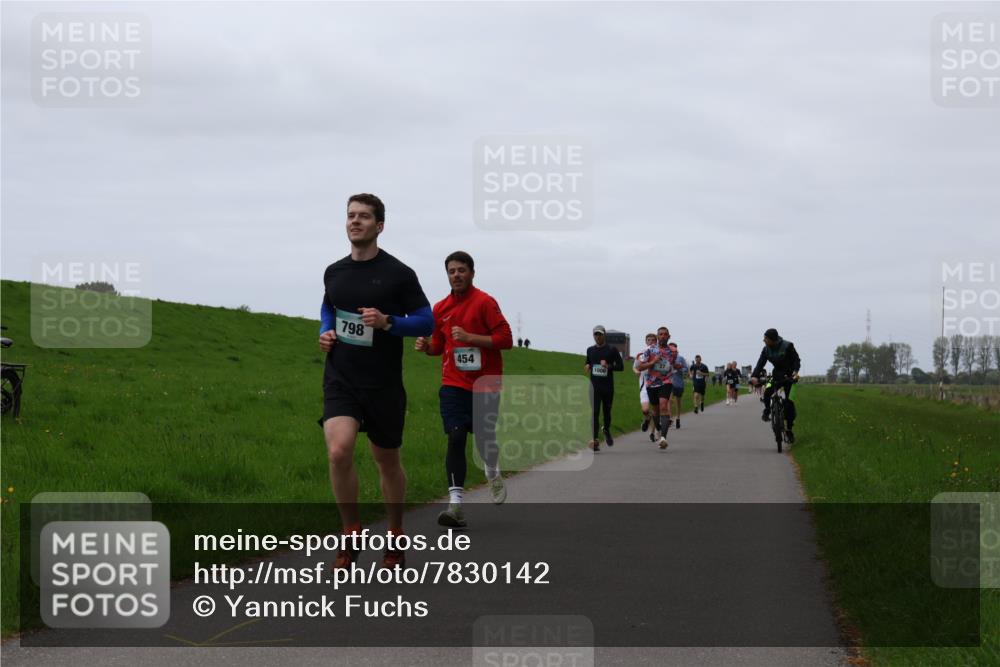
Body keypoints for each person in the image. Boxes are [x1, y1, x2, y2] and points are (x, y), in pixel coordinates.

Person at [318, 193, 434, 569]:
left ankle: (396, 532)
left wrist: (388, 323)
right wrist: (326, 331)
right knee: (338, 451)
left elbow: (426, 321)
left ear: (379, 225)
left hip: (382, 382)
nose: (355, 222)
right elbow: (328, 306)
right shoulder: (334, 272)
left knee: (386, 461)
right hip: (341, 376)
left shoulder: (399, 274)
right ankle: (351, 532)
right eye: (350, 216)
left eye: (364, 217)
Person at [415, 251, 513, 529]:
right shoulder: (440, 308)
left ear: (472, 273)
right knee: (456, 437)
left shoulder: (485, 302)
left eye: (461, 270)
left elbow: (506, 339)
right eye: (451, 271)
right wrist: (426, 348)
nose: (456, 275)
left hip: (486, 383)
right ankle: (455, 504)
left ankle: (492, 472)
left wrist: (471, 338)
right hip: (453, 384)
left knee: (484, 438)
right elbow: (438, 346)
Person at [750, 328, 802, 442]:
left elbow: (796, 360)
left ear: (772, 339)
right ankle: (768, 409)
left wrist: (795, 371)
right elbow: (760, 363)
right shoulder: (766, 350)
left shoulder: (788, 346)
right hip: (776, 375)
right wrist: (754, 376)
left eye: (766, 338)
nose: (763, 340)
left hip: (790, 376)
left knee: (789, 404)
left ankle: (789, 430)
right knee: (767, 392)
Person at [635, 326, 678, 449]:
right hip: (651, 384)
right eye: (661, 334)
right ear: (657, 336)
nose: (663, 336)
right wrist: (653, 362)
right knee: (655, 411)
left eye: (665, 334)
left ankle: (663, 438)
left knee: (664, 405)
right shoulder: (650, 350)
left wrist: (676, 366)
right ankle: (658, 429)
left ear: (669, 337)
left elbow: (672, 363)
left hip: (666, 382)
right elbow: (640, 367)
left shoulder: (673, 351)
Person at [585, 325, 624, 451]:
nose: (598, 337)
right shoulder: (590, 350)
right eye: (595, 334)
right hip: (594, 387)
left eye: (600, 334)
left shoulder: (612, 350)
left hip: (607, 387)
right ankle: (595, 439)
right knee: (594, 413)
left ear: (604, 335)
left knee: (607, 413)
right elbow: (589, 362)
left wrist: (608, 366)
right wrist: (587, 366)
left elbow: (621, 366)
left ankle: (606, 429)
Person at [633, 333, 658, 439]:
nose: (651, 342)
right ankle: (647, 418)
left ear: (656, 342)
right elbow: (634, 367)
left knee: (656, 409)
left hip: (656, 384)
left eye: (653, 340)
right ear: (645, 341)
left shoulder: (659, 354)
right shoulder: (641, 354)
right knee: (645, 410)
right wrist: (636, 372)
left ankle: (653, 433)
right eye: (649, 340)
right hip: (644, 385)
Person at [667, 342, 688, 429]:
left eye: (673, 348)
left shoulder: (681, 358)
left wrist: (679, 368)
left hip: (679, 383)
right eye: (670, 348)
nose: (672, 350)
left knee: (678, 402)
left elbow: (686, 369)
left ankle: (678, 418)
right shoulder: (666, 358)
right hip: (669, 382)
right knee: (669, 400)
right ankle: (670, 418)